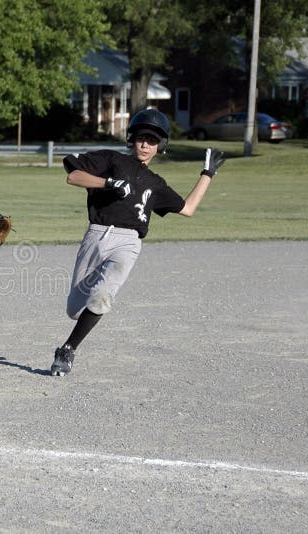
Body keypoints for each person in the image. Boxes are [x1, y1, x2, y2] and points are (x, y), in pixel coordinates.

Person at [50, 109, 224, 376]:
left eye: (153, 140)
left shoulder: (156, 183)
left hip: (129, 242)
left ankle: (68, 349)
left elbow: (188, 208)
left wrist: (207, 174)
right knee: (74, 309)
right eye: (142, 138)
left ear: (160, 146)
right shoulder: (111, 159)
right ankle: (76, 324)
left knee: (103, 296)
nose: (146, 144)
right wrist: (108, 182)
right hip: (97, 235)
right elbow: (73, 176)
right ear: (132, 139)